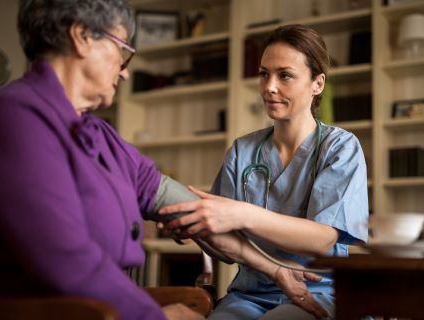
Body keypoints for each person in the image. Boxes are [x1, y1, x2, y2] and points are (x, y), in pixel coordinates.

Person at [0, 1, 204, 319]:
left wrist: (262, 258)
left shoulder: (97, 130)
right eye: (122, 49)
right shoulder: (16, 115)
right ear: (81, 36)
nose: (125, 71)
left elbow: (157, 189)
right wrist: (159, 317)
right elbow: (64, 259)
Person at [158, 24, 369, 319]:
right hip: (248, 295)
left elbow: (322, 238)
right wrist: (197, 228)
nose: (269, 86)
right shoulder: (242, 150)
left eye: (284, 75)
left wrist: (243, 213)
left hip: (319, 293)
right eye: (263, 73)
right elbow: (226, 243)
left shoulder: (341, 148)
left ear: (317, 84)